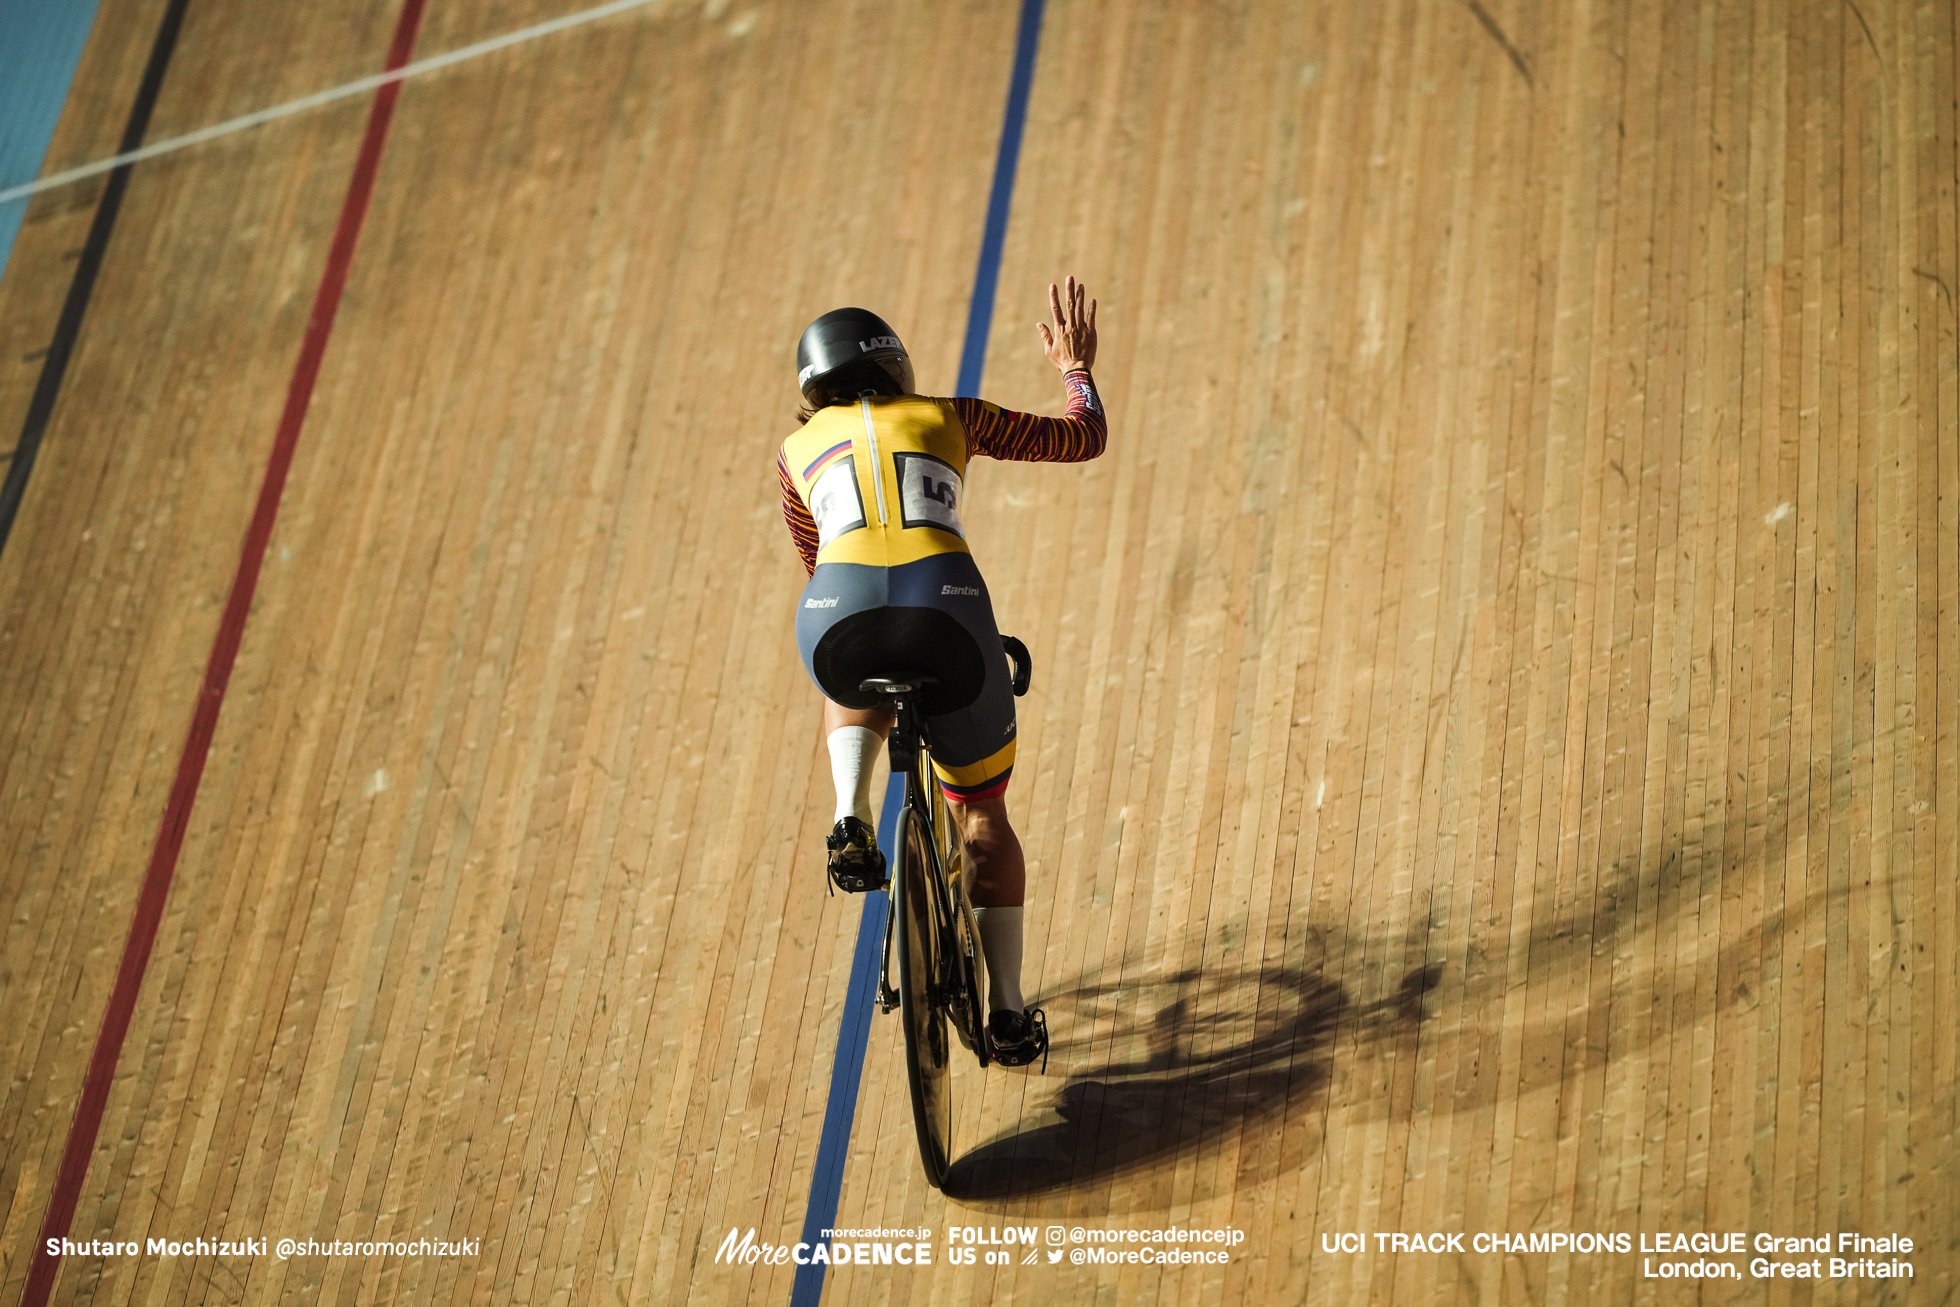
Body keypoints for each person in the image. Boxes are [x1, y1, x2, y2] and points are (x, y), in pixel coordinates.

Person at [775, 277, 1105, 1068]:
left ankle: (851, 814)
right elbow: (1080, 436)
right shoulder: (951, 415)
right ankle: (1008, 1013)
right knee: (983, 814)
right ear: (897, 371)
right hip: (947, 608)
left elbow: (814, 559)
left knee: (847, 669)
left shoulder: (793, 455)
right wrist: (1075, 370)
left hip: (835, 610)